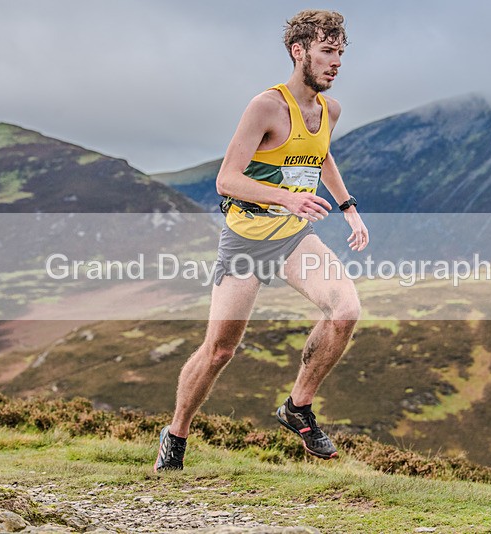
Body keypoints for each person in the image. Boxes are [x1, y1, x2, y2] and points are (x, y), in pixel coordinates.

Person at [155, 9, 369, 472]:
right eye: (327, 52)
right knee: (219, 351)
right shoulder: (265, 107)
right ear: (300, 51)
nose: (336, 63)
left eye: (341, 54)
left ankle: (298, 407)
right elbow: (227, 180)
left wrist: (349, 208)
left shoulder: (329, 109)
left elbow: (321, 154)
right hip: (245, 242)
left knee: (345, 310)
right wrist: (287, 199)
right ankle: (175, 435)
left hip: (293, 239)